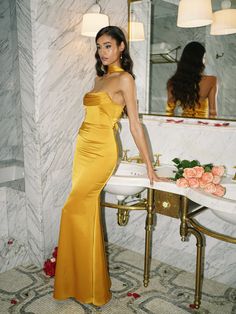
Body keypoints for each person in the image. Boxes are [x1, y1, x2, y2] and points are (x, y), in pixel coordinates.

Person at [53, 26, 165, 306]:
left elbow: (135, 125)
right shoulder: (99, 77)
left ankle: (88, 284)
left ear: (121, 47)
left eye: (108, 46)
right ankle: (80, 282)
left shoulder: (125, 79)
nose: (103, 52)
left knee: (74, 207)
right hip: (83, 148)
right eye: (100, 46)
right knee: (82, 209)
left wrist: (149, 165)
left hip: (103, 150)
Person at [166, 41, 217, 118]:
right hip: (202, 128)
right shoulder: (211, 81)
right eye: (204, 57)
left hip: (181, 127)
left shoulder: (173, 82)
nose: (206, 61)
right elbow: (213, 113)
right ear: (200, 59)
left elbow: (169, 112)